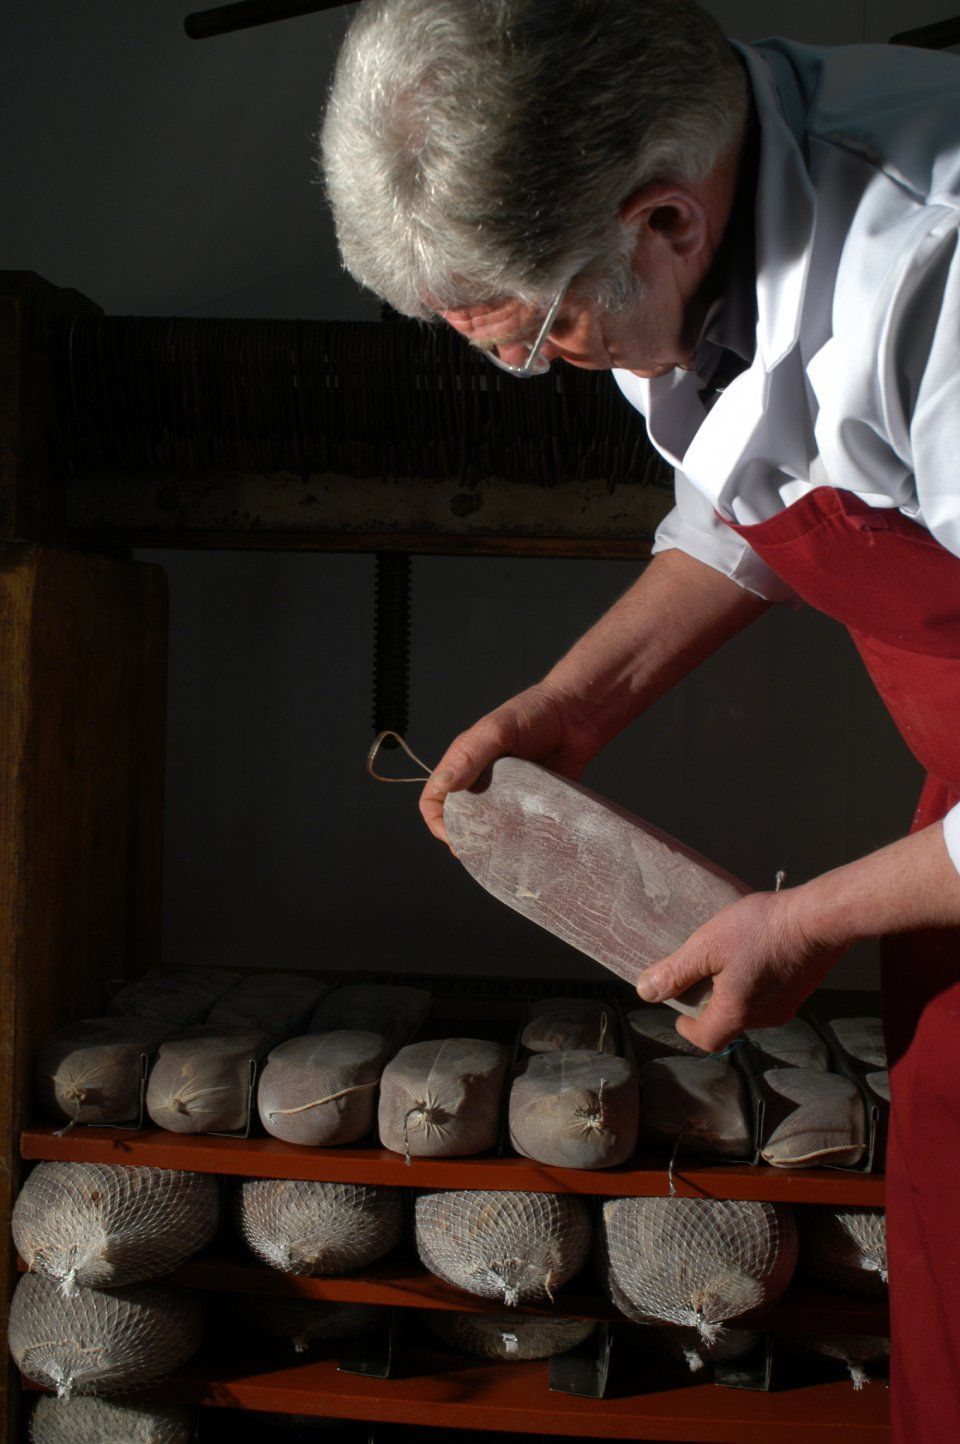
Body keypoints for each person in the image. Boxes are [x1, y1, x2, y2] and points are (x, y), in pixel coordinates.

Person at [321, 2, 960, 1432]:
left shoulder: (939, 267)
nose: (542, 362)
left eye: (540, 331)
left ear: (666, 217)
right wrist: (577, 702)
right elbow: (757, 488)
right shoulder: (691, 213)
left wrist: (803, 922)